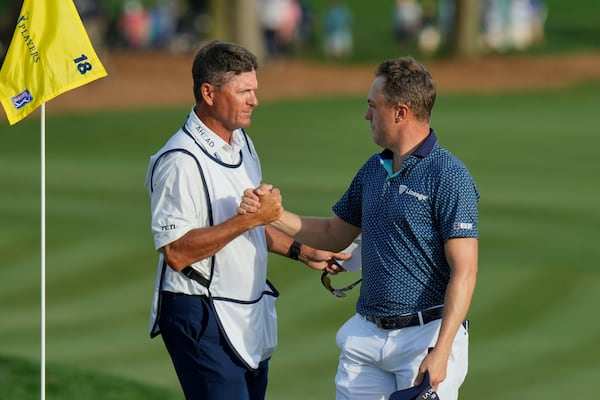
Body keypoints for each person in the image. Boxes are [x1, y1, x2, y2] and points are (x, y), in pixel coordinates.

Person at [239, 56, 479, 400]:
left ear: (400, 112)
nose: (367, 115)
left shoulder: (449, 176)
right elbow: (334, 234)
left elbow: (465, 272)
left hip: (424, 339)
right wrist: (273, 215)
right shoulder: (374, 169)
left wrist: (442, 351)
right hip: (366, 338)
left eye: (373, 106)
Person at [144, 40, 347, 400]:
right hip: (199, 311)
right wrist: (249, 221)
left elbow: (253, 225)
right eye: (244, 91)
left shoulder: (242, 144)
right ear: (209, 93)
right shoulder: (179, 160)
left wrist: (302, 251)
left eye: (254, 90)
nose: (255, 100)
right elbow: (176, 251)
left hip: (245, 309)